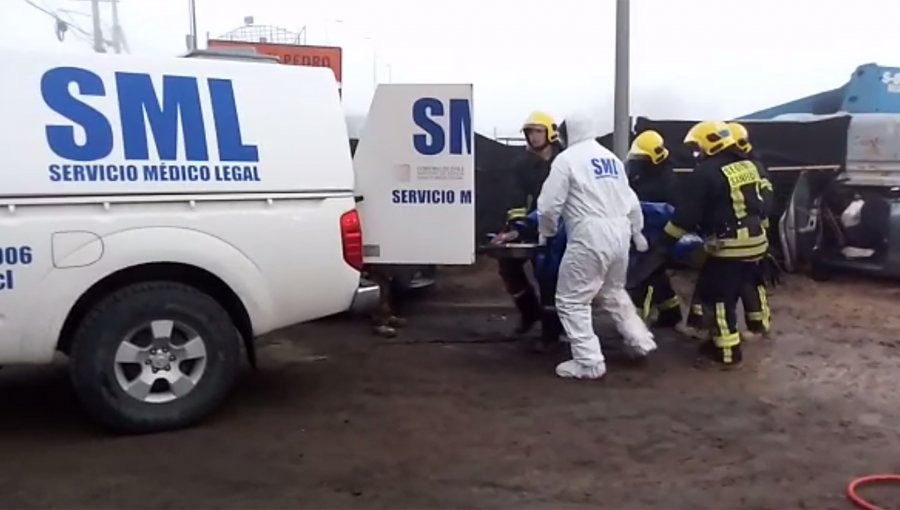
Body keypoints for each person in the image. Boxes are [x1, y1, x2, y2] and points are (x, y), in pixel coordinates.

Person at [536, 109, 657, 380]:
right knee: (613, 290)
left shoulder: (566, 160)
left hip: (590, 234)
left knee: (571, 299)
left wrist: (546, 232)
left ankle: (589, 361)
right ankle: (641, 341)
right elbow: (631, 200)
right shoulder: (611, 159)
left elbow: (548, 205)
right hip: (621, 233)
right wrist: (637, 233)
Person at [651, 120, 769, 367]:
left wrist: (665, 242)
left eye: (698, 146)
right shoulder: (748, 165)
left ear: (711, 143)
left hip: (730, 247)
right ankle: (715, 339)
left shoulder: (706, 172)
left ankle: (727, 354)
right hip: (756, 243)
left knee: (719, 299)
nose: (697, 152)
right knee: (713, 289)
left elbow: (687, 216)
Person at [497, 111, 565, 350]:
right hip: (528, 225)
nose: (533, 137)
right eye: (529, 132)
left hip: (559, 227)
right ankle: (529, 312)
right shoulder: (521, 164)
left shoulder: (564, 162)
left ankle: (553, 330)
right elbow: (514, 198)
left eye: (538, 131)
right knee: (507, 266)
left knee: (549, 277)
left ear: (550, 133)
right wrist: (517, 227)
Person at [624, 130, 682, 328]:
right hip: (648, 235)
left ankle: (636, 325)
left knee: (642, 279)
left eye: (642, 158)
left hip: (657, 236)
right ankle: (671, 312)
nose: (637, 162)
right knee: (657, 274)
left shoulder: (664, 181)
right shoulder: (647, 176)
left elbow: (661, 211)